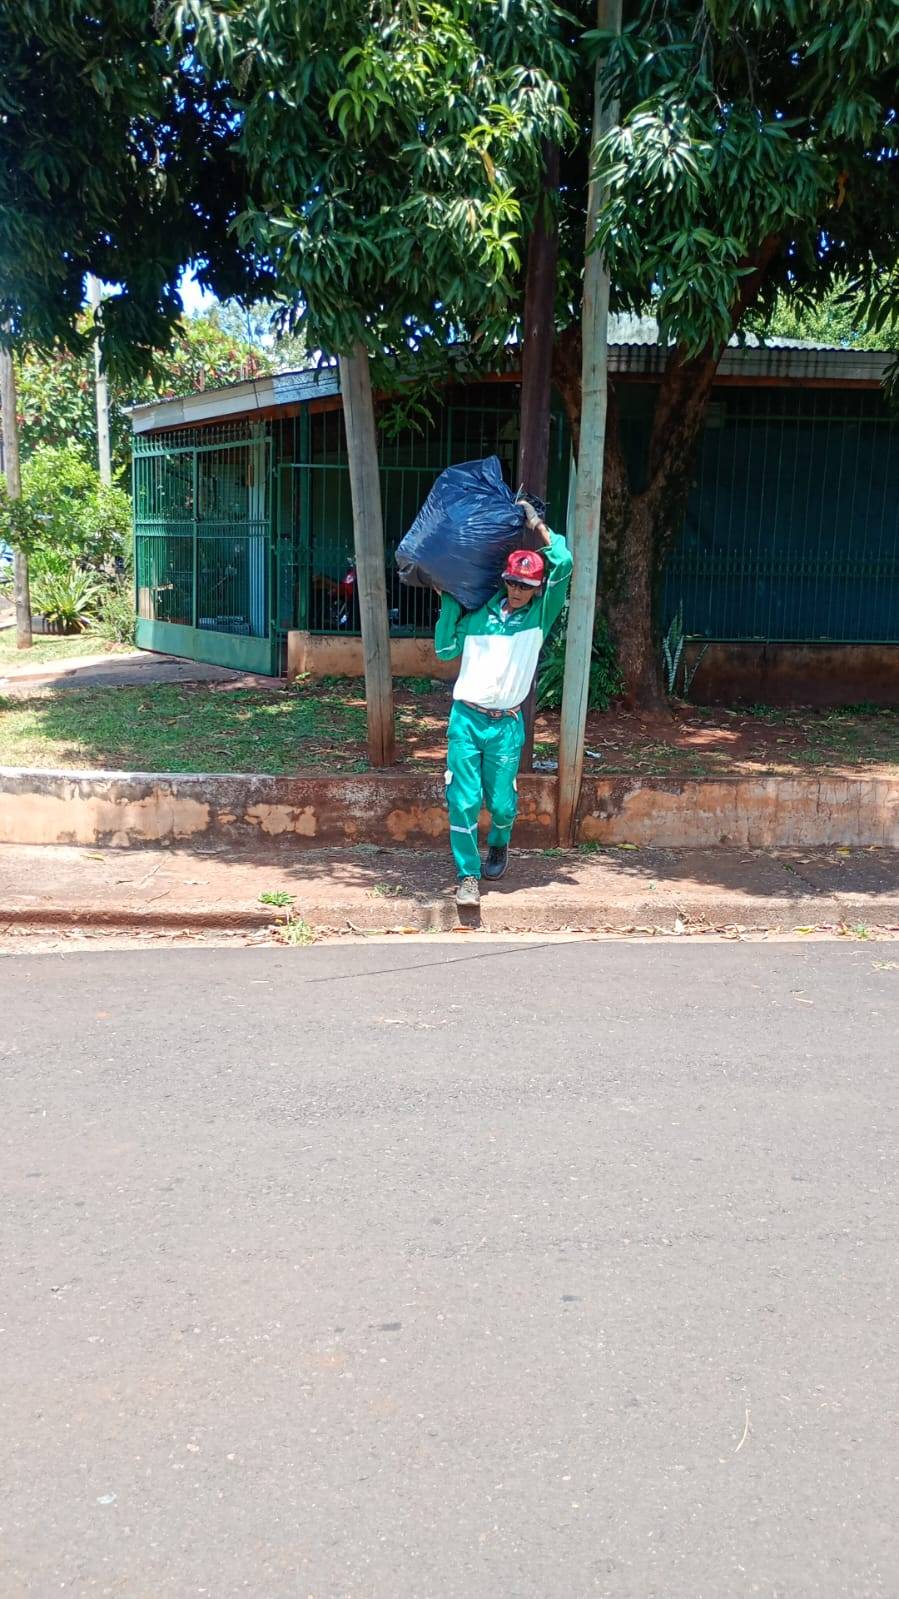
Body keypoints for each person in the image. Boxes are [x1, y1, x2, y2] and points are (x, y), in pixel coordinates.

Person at [434, 499, 573, 907]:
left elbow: (563, 562)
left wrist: (536, 523)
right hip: (466, 719)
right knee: (462, 799)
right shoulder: (479, 613)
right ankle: (467, 875)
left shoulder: (540, 616)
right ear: (505, 580)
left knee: (501, 805)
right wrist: (448, 598)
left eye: (526, 586)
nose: (517, 591)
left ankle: (499, 841)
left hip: (506, 725)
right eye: (512, 583)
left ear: (537, 589)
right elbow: (444, 650)